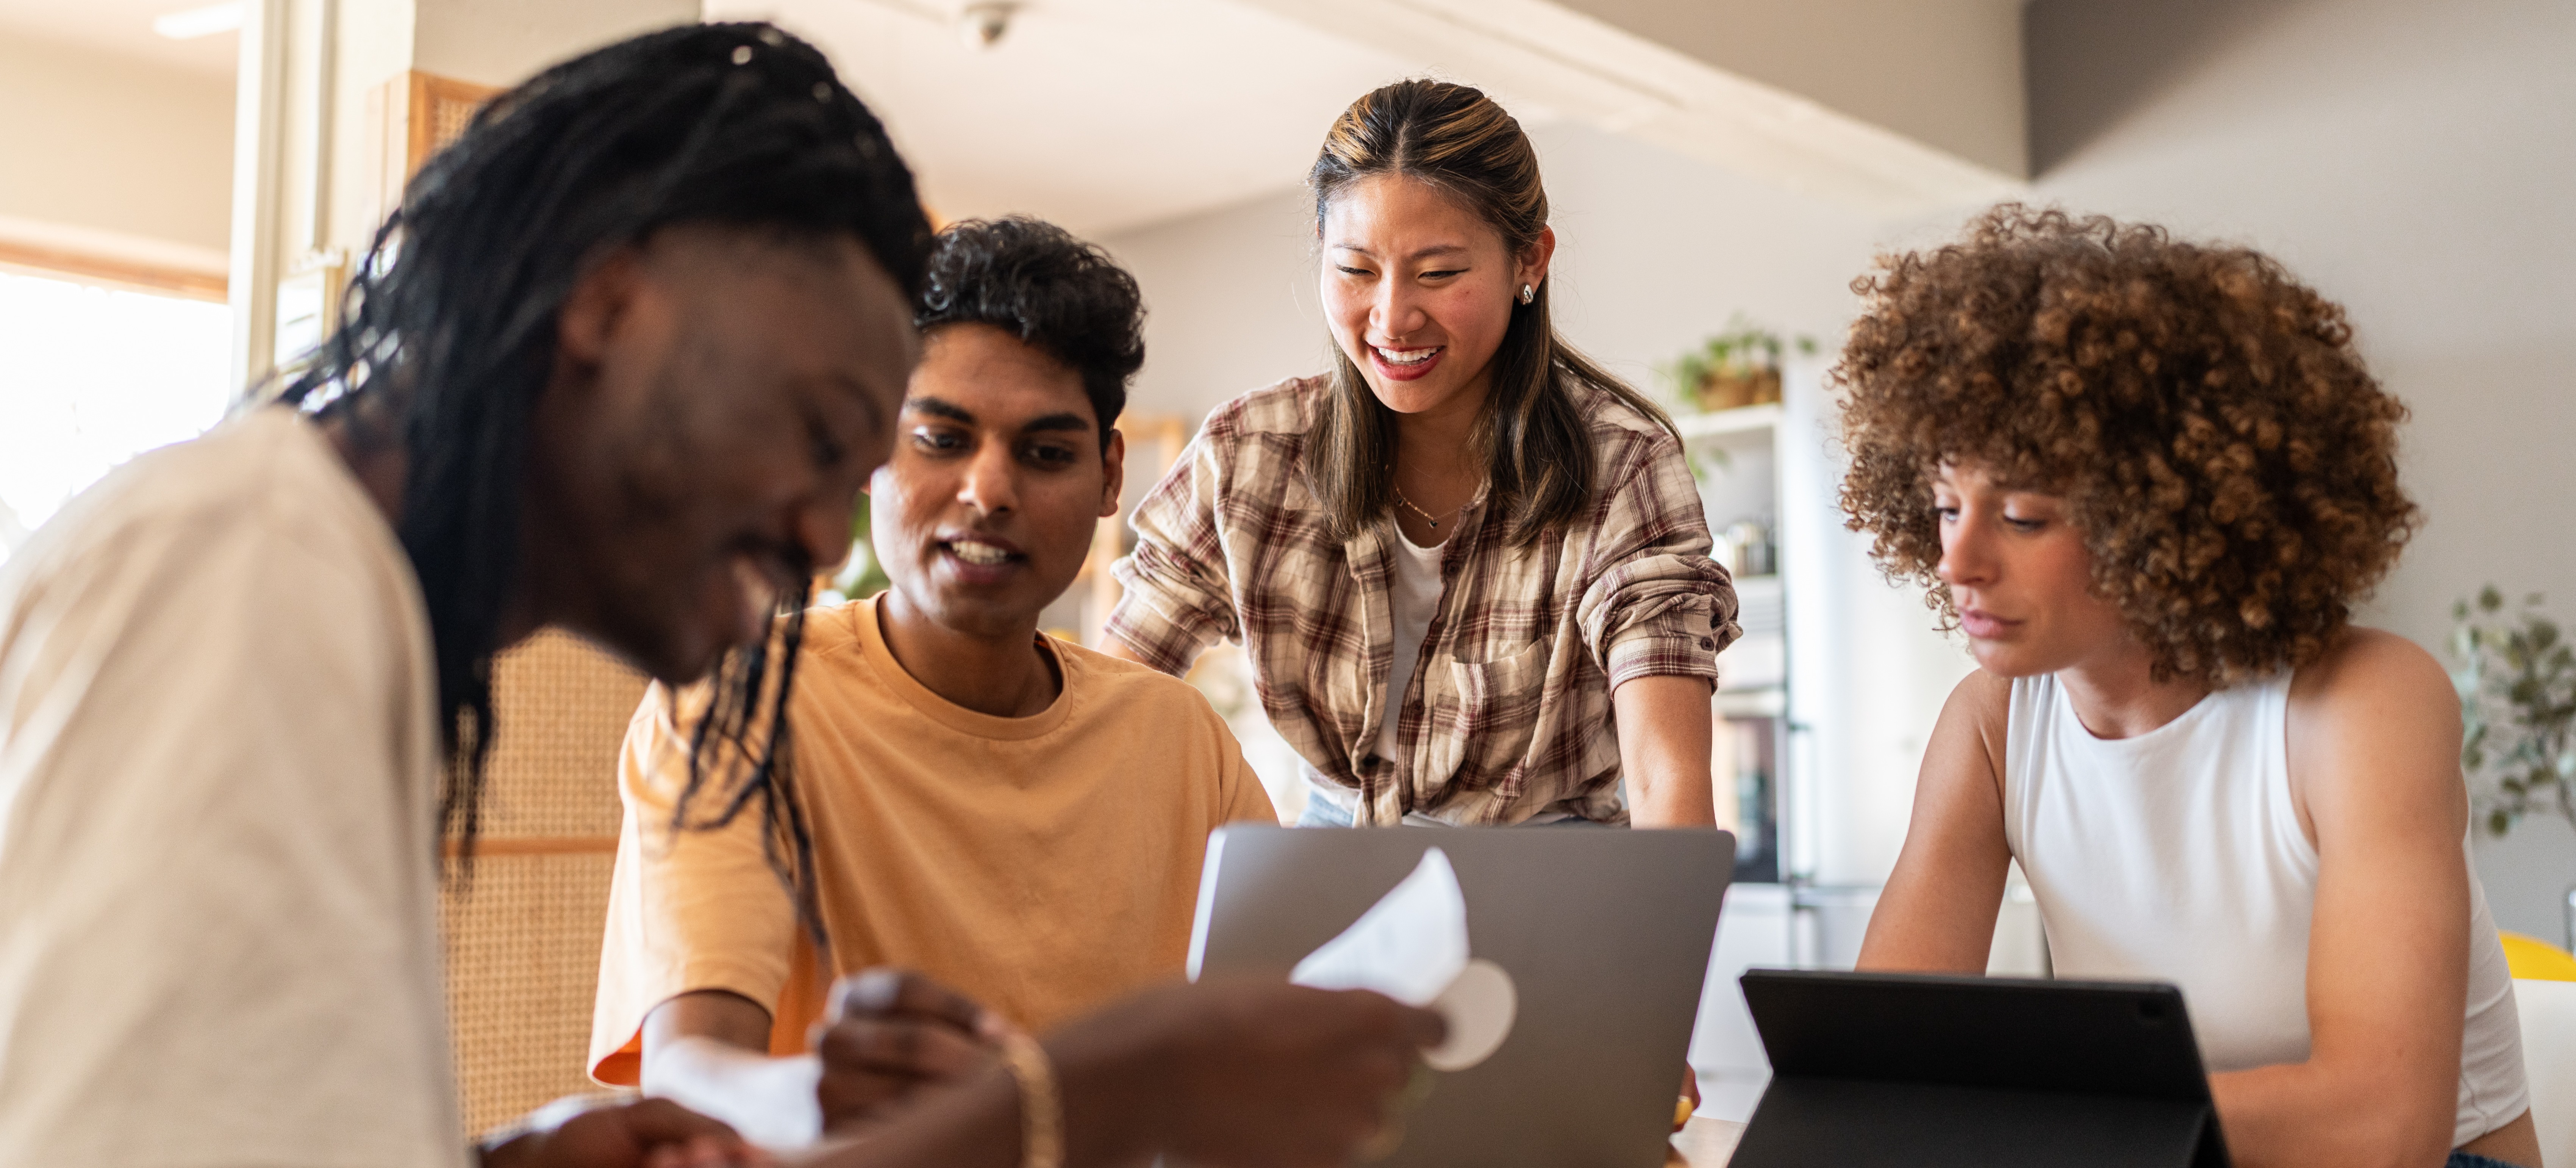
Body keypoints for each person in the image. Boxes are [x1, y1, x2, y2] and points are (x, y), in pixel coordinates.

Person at [0, 24, 1436, 1168]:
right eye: (827, 434)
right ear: (609, 303)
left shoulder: (343, 605)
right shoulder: (255, 569)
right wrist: (1108, 1091)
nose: (826, 526)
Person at [1842, 206, 2540, 1168]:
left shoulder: (2361, 701)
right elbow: (1880, 1063)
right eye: (1944, 505)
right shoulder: (1990, 723)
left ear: (2164, 514)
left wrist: (2021, 1110)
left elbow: (2381, 1123)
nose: (1956, 559)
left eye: (2025, 517)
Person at [587, 217, 1278, 1143]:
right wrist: (870, 1108)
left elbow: (1278, 1046)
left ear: (1111, 475)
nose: (988, 490)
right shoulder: (740, 701)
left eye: (1045, 452)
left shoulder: (1181, 739)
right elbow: (690, 1075)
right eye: (943, 439)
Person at [1103, 79, 1737, 831]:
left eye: (1439, 273)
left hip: (1550, 882)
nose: (1393, 318)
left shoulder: (1621, 466)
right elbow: (1109, 709)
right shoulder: (1248, 454)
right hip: (1331, 870)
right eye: (1356, 269)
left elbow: (1667, 780)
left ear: (1529, 260)